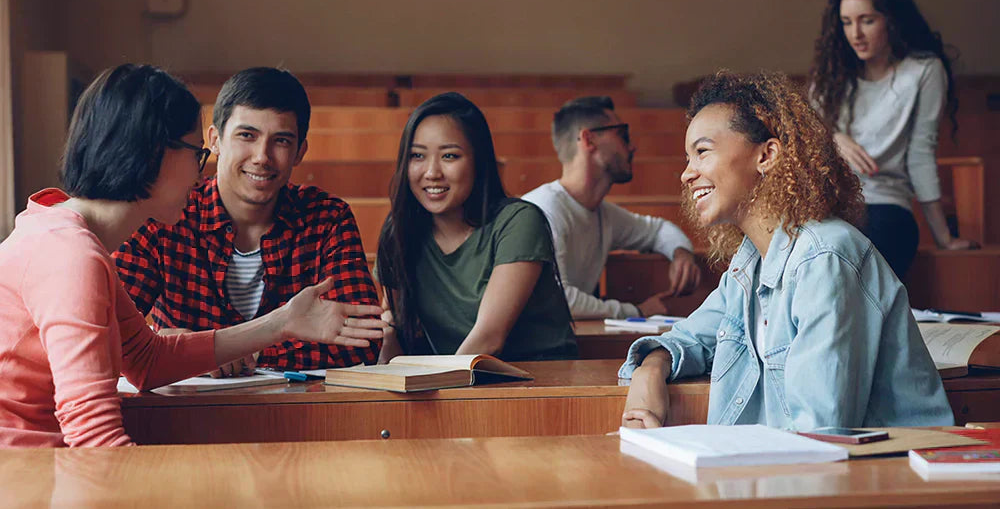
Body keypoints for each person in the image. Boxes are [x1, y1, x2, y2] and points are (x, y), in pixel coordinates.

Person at [0, 64, 384, 447]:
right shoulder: (72, 257)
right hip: (26, 466)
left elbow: (146, 361)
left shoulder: (68, 235)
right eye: (198, 154)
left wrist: (282, 322)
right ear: (154, 153)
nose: (200, 175)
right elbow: (95, 439)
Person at [619, 71, 953, 430]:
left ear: (767, 155)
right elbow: (689, 338)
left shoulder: (824, 258)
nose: (687, 174)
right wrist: (650, 370)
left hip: (873, 464)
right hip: (789, 459)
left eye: (702, 152)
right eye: (688, 158)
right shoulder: (750, 263)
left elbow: (821, 430)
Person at [115, 67, 381, 373]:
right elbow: (109, 338)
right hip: (185, 401)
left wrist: (206, 351)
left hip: (297, 401)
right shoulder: (164, 216)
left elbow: (361, 342)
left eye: (281, 141)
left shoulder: (328, 218)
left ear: (300, 152)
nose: (262, 156)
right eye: (247, 136)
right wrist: (173, 345)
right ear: (215, 140)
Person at [375, 92, 577, 362]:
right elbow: (394, 317)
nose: (432, 172)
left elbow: (489, 338)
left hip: (538, 376)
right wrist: (387, 336)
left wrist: (440, 383)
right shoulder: (400, 229)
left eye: (449, 156)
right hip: (458, 376)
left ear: (478, 162)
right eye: (417, 156)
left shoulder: (519, 221)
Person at [809, 0, 977, 279]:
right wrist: (832, 139)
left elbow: (921, 155)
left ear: (891, 19)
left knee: (848, 261)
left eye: (867, 21)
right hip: (828, 203)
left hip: (884, 207)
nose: (855, 34)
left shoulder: (923, 71)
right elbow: (805, 147)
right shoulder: (831, 76)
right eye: (846, 22)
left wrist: (944, 238)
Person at [521, 96, 701, 319]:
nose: (632, 146)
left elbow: (658, 230)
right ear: (589, 140)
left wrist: (681, 253)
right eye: (622, 135)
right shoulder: (543, 210)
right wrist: (636, 311)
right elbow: (557, 299)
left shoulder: (604, 214)